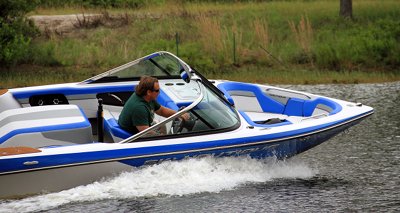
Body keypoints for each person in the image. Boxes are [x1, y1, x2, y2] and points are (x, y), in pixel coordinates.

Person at [118, 75, 187, 135]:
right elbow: (145, 132)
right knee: (161, 131)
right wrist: (164, 138)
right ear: (149, 92)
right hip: (134, 133)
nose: (159, 93)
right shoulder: (139, 108)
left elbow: (161, 111)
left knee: (162, 126)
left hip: (142, 127)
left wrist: (178, 114)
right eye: (157, 91)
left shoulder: (147, 97)